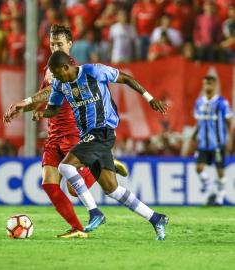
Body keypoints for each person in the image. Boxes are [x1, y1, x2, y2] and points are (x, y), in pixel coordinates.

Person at [4, 24, 128, 239]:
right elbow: (49, 97)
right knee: (49, 184)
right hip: (54, 133)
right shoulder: (50, 67)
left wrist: (26, 101)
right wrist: (29, 109)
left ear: (70, 45)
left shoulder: (69, 66)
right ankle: (78, 228)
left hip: (72, 132)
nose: (55, 48)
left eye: (59, 44)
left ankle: (103, 163)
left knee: (73, 189)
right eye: (52, 44)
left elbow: (52, 89)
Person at [33, 50, 169, 241]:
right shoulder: (60, 84)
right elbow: (53, 108)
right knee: (112, 189)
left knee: (65, 166)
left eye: (57, 73)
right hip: (88, 136)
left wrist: (150, 98)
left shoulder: (93, 71)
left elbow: (126, 78)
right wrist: (42, 114)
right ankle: (156, 218)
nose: (55, 78)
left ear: (66, 67)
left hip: (103, 130)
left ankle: (95, 212)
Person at [192, 75, 233, 206]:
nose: (207, 86)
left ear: (215, 85)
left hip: (218, 143)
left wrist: (230, 140)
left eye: (210, 84)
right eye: (205, 84)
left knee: (220, 171)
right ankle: (211, 191)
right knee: (199, 168)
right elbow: (199, 121)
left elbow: (228, 122)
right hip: (203, 143)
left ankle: (220, 197)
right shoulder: (199, 102)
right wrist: (194, 135)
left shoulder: (222, 102)